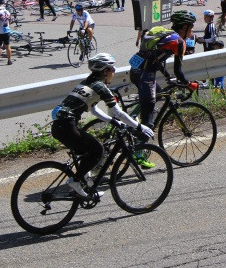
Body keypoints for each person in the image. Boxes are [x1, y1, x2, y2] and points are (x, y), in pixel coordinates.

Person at [51, 53, 156, 198]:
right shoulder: (100, 87)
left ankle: (84, 186)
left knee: (85, 153)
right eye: (112, 69)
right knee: (97, 150)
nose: (113, 72)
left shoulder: (87, 82)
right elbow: (118, 113)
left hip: (60, 126)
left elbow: (93, 109)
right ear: (105, 71)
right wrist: (140, 127)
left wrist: (112, 121)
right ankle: (75, 181)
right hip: (67, 126)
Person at [129, 11, 199, 129]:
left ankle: (132, 121)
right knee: (148, 122)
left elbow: (155, 57)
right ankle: (139, 141)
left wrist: (167, 76)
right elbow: (178, 71)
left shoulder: (165, 35)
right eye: (191, 27)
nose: (192, 31)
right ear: (184, 27)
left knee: (158, 94)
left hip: (135, 69)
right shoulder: (179, 42)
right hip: (145, 74)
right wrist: (188, 84)